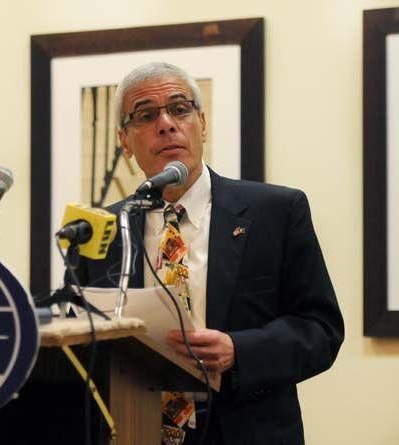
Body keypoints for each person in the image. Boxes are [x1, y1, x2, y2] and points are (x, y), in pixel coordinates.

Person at [71, 62, 345, 445]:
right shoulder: (101, 229)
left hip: (246, 430)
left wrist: (240, 351)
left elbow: (321, 330)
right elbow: (79, 342)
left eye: (180, 109)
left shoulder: (276, 212)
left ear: (202, 123)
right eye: (146, 115)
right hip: (133, 430)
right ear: (124, 141)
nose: (166, 123)